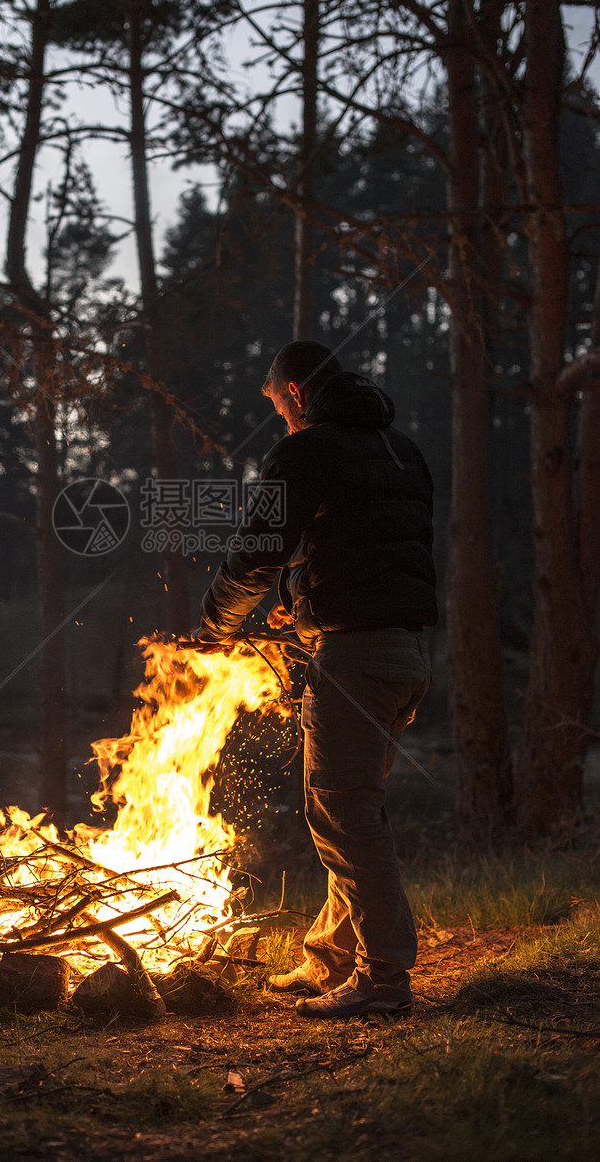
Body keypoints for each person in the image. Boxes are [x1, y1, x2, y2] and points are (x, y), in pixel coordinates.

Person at [190, 340, 437, 1019]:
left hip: (357, 657)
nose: (278, 417)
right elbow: (378, 553)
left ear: (294, 392)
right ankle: (329, 956)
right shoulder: (400, 449)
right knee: (349, 805)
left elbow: (257, 550)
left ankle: (383, 977)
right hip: (408, 653)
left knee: (342, 813)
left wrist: (215, 625)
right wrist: (302, 603)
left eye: (275, 404)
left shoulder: (309, 449)